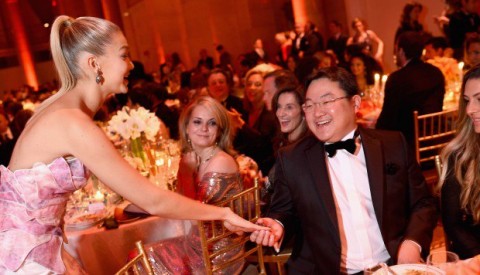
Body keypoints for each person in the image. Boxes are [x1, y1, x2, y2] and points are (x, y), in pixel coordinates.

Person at [0, 15, 265, 274]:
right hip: (23, 258)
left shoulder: (65, 113)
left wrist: (56, 247)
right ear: (94, 63)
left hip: (32, 250)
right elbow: (153, 200)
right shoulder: (72, 122)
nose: (131, 65)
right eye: (124, 55)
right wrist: (223, 214)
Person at [250, 67, 438, 274]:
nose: (317, 112)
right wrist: (277, 224)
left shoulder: (393, 144)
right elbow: (283, 211)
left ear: (355, 103)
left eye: (327, 101)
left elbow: (423, 203)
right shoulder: (293, 159)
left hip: (393, 266)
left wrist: (412, 244)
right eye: (309, 105)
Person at [146, 96, 246, 274]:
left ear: (220, 130)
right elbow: (179, 198)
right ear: (186, 127)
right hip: (199, 243)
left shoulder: (221, 162)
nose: (204, 129)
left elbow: (194, 216)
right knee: (143, 255)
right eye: (197, 122)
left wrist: (185, 174)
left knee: (148, 261)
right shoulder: (194, 158)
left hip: (218, 252)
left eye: (212, 123)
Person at [438, 65, 480, 260]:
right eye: (467, 101)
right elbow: (453, 225)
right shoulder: (459, 155)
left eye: (479, 99)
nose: (470, 110)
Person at [376, 31, 445, 148]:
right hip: (436, 142)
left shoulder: (397, 78)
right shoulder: (436, 72)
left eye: (396, 49)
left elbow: (387, 122)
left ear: (401, 51)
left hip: (408, 148)